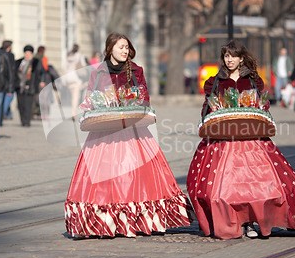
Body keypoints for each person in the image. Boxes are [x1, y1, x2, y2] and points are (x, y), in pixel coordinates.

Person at [186, 40, 295, 240]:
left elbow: (262, 108)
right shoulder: (215, 82)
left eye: (233, 56)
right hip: (223, 141)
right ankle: (235, 221)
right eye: (226, 56)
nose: (229, 60)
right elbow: (208, 109)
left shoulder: (253, 81)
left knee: (257, 185)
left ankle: (253, 222)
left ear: (241, 58)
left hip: (251, 139)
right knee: (225, 188)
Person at [64, 33, 192, 238]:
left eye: (127, 47)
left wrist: (134, 103)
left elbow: (144, 97)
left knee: (135, 174)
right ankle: (103, 221)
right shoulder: (98, 72)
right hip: (105, 130)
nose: (124, 51)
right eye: (121, 47)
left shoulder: (136, 70)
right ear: (110, 49)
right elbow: (90, 97)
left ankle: (139, 220)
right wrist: (91, 106)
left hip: (132, 130)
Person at [15, 45, 44, 127]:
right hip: (19, 86)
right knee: (20, 105)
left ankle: (27, 121)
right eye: (26, 53)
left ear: (32, 54)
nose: (27, 55)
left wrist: (42, 81)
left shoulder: (36, 62)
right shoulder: (19, 62)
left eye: (29, 54)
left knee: (28, 104)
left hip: (30, 86)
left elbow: (42, 72)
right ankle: (23, 120)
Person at [64, 44, 89, 116]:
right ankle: (73, 112)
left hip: (68, 78)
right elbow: (84, 65)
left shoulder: (68, 56)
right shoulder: (79, 56)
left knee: (71, 95)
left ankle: (72, 111)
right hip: (76, 78)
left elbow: (65, 68)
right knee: (75, 96)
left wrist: (64, 80)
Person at [0, 40, 16, 120]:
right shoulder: (10, 55)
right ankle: (1, 116)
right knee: (7, 99)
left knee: (3, 100)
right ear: (9, 47)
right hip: (7, 81)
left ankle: (9, 114)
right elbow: (12, 70)